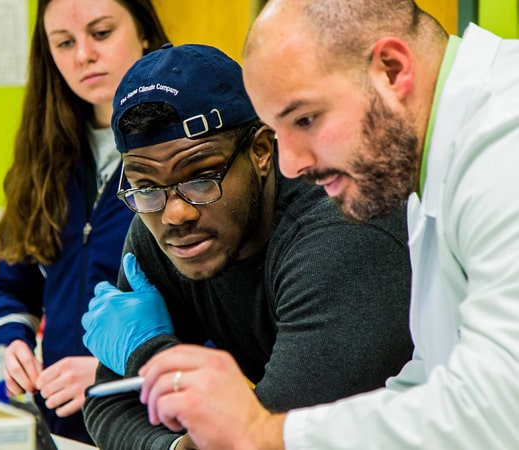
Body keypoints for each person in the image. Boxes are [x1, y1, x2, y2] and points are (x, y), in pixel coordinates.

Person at [134, 1, 519, 449]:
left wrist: (265, 432)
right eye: (279, 133)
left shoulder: (503, 145)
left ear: (392, 70)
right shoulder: (424, 158)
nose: (291, 165)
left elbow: (502, 405)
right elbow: (431, 379)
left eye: (306, 119)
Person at [81, 43, 414, 450]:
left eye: (201, 178)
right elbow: (105, 406)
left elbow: (262, 440)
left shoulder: (342, 232)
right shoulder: (162, 225)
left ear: (261, 150)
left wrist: (149, 357)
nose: (175, 214)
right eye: (146, 186)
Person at [0, 0, 169, 444]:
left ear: (143, 31)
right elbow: (13, 288)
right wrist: (10, 346)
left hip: (154, 424)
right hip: (62, 427)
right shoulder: (43, 156)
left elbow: (228, 318)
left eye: (101, 33)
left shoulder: (187, 152)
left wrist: (114, 373)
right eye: (64, 43)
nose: (82, 54)